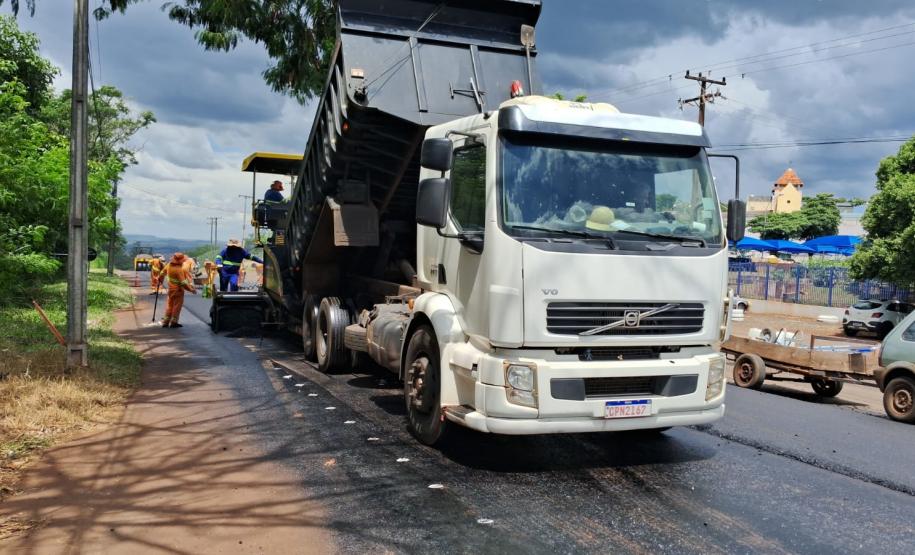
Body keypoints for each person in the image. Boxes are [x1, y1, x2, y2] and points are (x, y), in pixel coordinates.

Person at [160, 252, 197, 328]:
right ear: (180, 261)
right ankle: (174, 322)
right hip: (178, 291)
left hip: (170, 290)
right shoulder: (178, 270)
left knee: (169, 306)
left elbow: (162, 273)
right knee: (176, 307)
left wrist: (160, 280)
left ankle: (165, 322)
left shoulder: (168, 265)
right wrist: (191, 290)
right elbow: (183, 283)